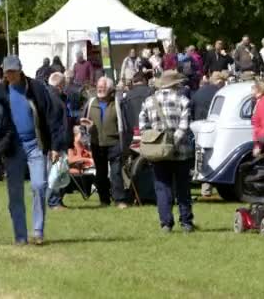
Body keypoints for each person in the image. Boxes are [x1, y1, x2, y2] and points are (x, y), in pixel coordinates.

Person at [0, 55, 66, 245]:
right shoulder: (0, 92)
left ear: (20, 70)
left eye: (13, 71)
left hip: (36, 144)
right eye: (7, 71)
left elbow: (52, 116)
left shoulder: (36, 89)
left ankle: (38, 231)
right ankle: (20, 236)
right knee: (15, 192)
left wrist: (56, 146)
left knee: (39, 185)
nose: (9, 75)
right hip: (12, 148)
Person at [139, 70, 195, 233]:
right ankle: (186, 222)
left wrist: (157, 138)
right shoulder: (183, 100)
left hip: (158, 150)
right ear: (176, 84)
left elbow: (143, 125)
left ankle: (165, 223)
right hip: (181, 151)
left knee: (162, 186)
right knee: (183, 187)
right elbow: (184, 127)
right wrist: (172, 142)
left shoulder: (149, 101)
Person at [82, 76, 130, 208]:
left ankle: (119, 199)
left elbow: (125, 124)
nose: (100, 89)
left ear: (110, 89)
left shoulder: (117, 103)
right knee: (101, 172)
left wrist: (125, 143)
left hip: (114, 143)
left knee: (115, 172)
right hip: (96, 143)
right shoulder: (91, 103)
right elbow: (82, 121)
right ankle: (104, 200)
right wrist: (86, 127)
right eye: (98, 87)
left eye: (103, 87)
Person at [190, 71, 228, 197]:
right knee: (211, 157)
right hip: (212, 129)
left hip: (197, 128)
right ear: (220, 81)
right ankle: (207, 187)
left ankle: (201, 185)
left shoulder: (198, 92)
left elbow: (191, 109)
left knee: (199, 156)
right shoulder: (220, 93)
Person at [46, 72, 71, 210]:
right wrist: (55, 147)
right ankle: (54, 202)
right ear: (60, 85)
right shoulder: (53, 99)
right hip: (54, 144)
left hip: (53, 143)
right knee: (54, 173)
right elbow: (54, 125)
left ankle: (56, 201)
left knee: (56, 172)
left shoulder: (51, 96)